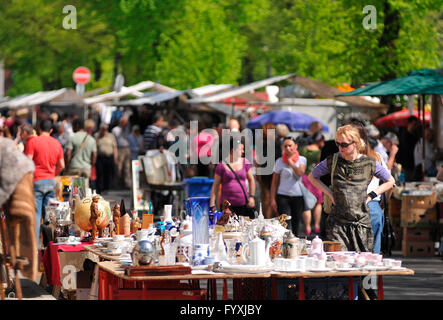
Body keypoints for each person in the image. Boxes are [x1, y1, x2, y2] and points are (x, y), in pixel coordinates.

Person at [308, 125, 394, 252]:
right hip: (338, 223)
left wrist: (371, 196)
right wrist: (330, 193)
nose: (340, 148)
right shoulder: (333, 160)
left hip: (361, 223)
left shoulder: (369, 163)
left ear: (356, 143)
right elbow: (312, 177)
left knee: (362, 265)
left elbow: (390, 181)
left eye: (344, 144)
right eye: (338, 144)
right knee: (339, 263)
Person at [24, 119, 65, 246]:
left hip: (36, 181)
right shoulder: (57, 143)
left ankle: (35, 247)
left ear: (39, 128)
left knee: (36, 216)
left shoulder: (33, 142)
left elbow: (28, 162)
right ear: (51, 130)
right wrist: (53, 174)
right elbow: (62, 165)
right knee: (50, 216)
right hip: (51, 181)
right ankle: (49, 246)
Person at [210, 136, 256, 219]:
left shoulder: (245, 162)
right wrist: (212, 204)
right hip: (227, 206)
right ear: (232, 150)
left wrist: (252, 197)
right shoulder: (221, 165)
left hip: (243, 205)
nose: (243, 151)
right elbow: (215, 185)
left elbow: (251, 180)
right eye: (241, 149)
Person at [270, 136, 307, 236]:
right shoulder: (279, 162)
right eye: (285, 146)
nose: (287, 148)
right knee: (285, 224)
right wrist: (272, 199)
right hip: (283, 196)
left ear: (296, 146)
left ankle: (295, 246)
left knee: (296, 224)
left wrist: (290, 161)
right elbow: (274, 182)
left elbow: (300, 173)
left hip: (297, 196)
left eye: (290, 146)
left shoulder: (302, 159)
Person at [366, 136, 389, 254]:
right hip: (374, 205)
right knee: (373, 249)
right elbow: (389, 182)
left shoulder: (345, 158)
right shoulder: (377, 158)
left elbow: (390, 181)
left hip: (371, 204)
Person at [299, 132, 325, 235]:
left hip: (304, 178)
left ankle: (308, 227)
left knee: (306, 203)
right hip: (315, 178)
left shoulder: (303, 149)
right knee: (318, 202)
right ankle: (317, 226)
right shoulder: (319, 152)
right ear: (320, 140)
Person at [65, 118, 97, 189]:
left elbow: (67, 154)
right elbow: (94, 155)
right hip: (86, 168)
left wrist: (67, 165)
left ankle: (78, 198)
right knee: (84, 190)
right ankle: (83, 199)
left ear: (77, 126)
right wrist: (91, 164)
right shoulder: (91, 139)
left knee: (75, 192)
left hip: (74, 168)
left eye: (73, 126)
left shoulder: (72, 138)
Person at [95, 123, 118, 194]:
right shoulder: (97, 136)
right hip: (100, 157)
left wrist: (115, 158)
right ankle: (100, 188)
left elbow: (115, 148)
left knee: (108, 173)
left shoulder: (111, 136)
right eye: (103, 129)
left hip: (109, 157)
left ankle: (106, 188)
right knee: (100, 173)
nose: (104, 130)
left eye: (106, 129)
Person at [397, 116, 420, 182]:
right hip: (407, 164)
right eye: (414, 124)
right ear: (409, 123)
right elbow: (407, 150)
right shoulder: (404, 135)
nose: (416, 126)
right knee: (408, 181)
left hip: (412, 164)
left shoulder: (414, 134)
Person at [112, 116, 132, 189]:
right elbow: (114, 141)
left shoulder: (127, 129)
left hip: (127, 147)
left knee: (127, 167)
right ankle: (117, 184)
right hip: (119, 148)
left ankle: (127, 183)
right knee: (118, 167)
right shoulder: (115, 130)